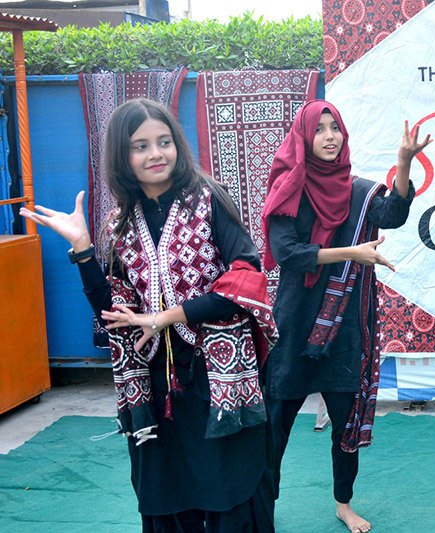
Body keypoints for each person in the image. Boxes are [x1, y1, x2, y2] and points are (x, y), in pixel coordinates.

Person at [20, 98, 278, 532]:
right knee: (166, 487)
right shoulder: (118, 223)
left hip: (220, 375)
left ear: (177, 143)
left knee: (230, 482)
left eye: (163, 141)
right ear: (122, 156)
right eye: (140, 146)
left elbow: (245, 280)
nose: (155, 154)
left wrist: (166, 316)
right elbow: (113, 315)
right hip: (155, 382)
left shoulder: (208, 199)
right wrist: (83, 249)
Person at [260, 99, 431, 533]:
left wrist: (404, 164)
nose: (330, 136)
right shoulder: (288, 189)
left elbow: (392, 213)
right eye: (319, 129)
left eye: (335, 127)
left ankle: (344, 503)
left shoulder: (357, 190)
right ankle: (261, 507)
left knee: (345, 424)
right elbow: (288, 254)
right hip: (296, 324)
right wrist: (350, 253)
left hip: (344, 328)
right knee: (273, 426)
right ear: (303, 137)